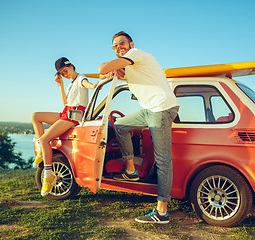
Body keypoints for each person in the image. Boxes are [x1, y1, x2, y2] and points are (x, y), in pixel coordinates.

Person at [99, 31, 179, 224]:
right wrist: (119, 72)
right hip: (151, 109)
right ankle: (131, 171)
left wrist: (110, 68)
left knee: (163, 160)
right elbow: (125, 73)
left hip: (161, 108)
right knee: (120, 125)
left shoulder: (135, 54)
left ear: (131, 44)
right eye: (115, 46)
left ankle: (162, 212)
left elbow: (102, 68)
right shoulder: (131, 65)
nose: (119, 47)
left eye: (121, 43)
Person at [32, 57, 98, 196]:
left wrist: (94, 86)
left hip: (75, 115)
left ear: (72, 66)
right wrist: (61, 85)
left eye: (66, 71)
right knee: (35, 116)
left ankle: (48, 176)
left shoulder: (80, 78)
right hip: (66, 112)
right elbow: (65, 102)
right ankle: (40, 152)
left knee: (45, 139)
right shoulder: (70, 84)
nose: (65, 74)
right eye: (62, 73)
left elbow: (86, 84)